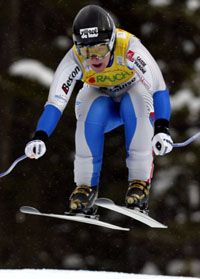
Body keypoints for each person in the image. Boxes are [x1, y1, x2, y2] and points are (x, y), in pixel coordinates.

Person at [25, 5, 173, 215]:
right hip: (102, 107)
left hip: (134, 103)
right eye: (86, 50)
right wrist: (40, 136)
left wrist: (162, 128)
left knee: (137, 99)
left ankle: (139, 185)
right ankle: (85, 188)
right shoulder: (74, 57)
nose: (93, 58)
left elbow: (158, 88)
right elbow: (56, 101)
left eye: (100, 49)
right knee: (90, 103)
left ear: (112, 42)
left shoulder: (129, 48)